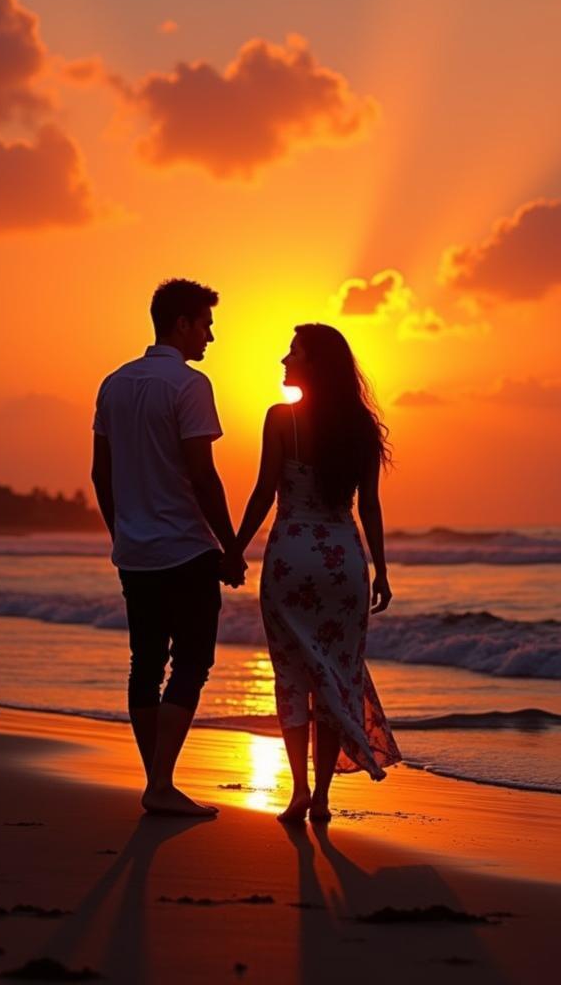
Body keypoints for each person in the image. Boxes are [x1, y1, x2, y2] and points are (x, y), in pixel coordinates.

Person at [223, 324, 401, 823]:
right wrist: (382, 570)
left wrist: (234, 551)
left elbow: (263, 493)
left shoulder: (282, 420)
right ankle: (322, 796)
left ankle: (298, 790)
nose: (283, 359)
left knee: (292, 677)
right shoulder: (362, 429)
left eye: (293, 352)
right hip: (344, 562)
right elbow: (370, 507)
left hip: (290, 559)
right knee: (334, 674)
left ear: (315, 363)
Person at [91, 278, 247, 818]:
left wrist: (122, 533)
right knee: (193, 660)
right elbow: (203, 476)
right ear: (181, 323)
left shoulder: (113, 384)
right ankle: (159, 782)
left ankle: (157, 779)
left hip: (136, 551)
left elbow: (99, 474)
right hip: (185, 546)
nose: (211, 335)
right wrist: (230, 548)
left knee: (146, 661)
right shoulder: (188, 385)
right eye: (205, 324)